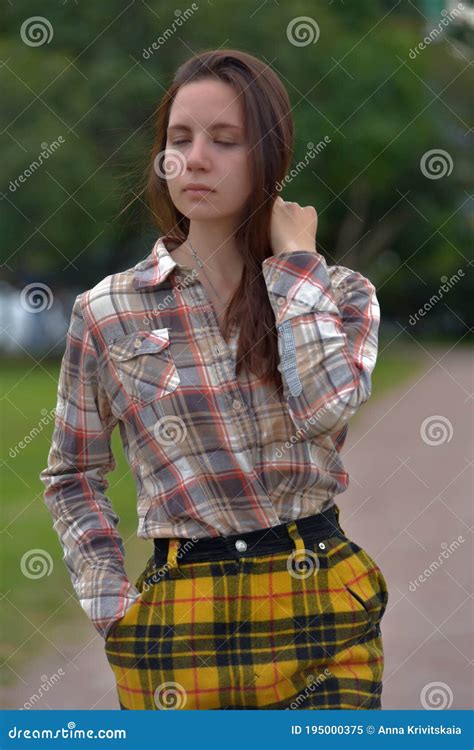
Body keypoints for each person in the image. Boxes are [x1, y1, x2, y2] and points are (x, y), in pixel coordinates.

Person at [39, 48, 388, 711]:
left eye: (224, 141)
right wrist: (112, 605)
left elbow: (325, 408)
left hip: (318, 596)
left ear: (271, 158)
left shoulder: (338, 293)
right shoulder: (108, 311)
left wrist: (296, 267)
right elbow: (72, 476)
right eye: (179, 139)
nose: (194, 159)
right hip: (180, 619)